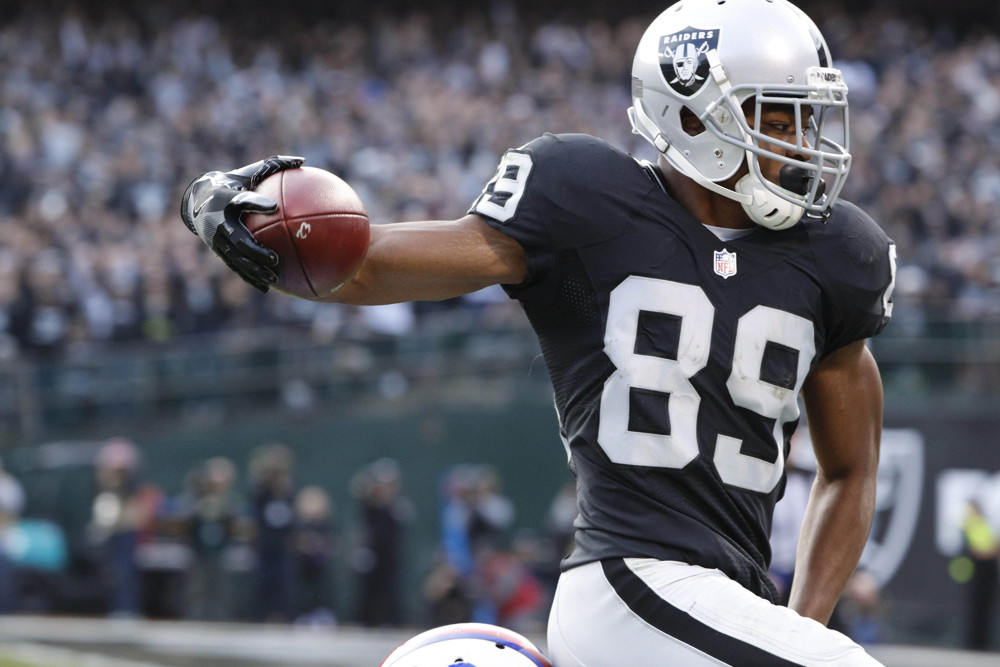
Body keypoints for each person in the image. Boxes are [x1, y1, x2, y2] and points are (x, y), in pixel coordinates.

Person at [181, 0, 896, 663]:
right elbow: (365, 268)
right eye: (775, 119)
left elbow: (850, 468)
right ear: (691, 118)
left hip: (727, 607)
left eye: (807, 119)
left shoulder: (837, 255)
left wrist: (800, 626)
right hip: (627, 582)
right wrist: (238, 219)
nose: (801, 143)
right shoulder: (586, 197)